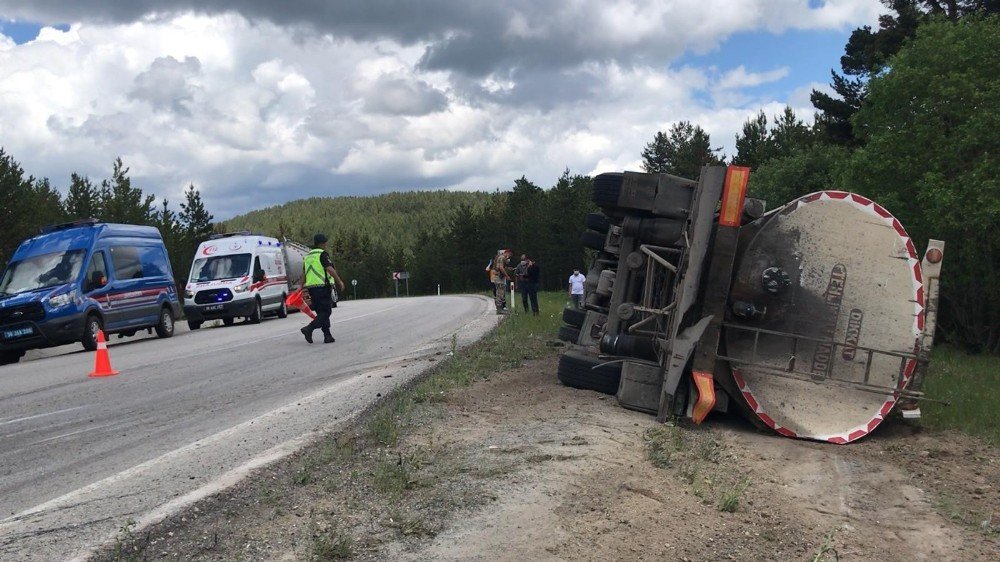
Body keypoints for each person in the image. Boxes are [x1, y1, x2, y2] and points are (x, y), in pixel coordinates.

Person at [301, 233, 346, 344]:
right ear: (321, 244)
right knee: (326, 312)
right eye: (325, 243)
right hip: (322, 287)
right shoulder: (322, 254)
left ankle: (327, 336)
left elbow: (304, 273)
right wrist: (339, 281)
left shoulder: (308, 256)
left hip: (311, 288)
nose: (325, 245)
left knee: (321, 312)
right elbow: (329, 269)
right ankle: (309, 329)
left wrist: (301, 286)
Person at [490, 248, 513, 314]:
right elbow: (501, 268)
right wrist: (507, 276)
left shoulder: (499, 257)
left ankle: (500, 309)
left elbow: (500, 267)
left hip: (497, 277)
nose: (509, 256)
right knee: (500, 293)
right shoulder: (502, 257)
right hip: (499, 278)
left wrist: (508, 268)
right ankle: (499, 309)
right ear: (508, 253)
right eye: (510, 254)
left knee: (499, 293)